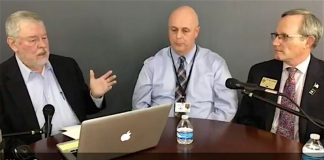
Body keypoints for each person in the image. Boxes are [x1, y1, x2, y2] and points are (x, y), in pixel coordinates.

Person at [0, 10, 117, 150]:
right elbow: (7, 138)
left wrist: (95, 95)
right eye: (33, 40)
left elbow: (86, 109)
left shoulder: (66, 65)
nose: (42, 45)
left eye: (44, 38)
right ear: (13, 44)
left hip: (81, 145)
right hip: (37, 152)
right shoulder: (3, 79)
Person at [132, 6, 238, 121]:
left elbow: (227, 108)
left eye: (185, 30)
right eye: (173, 30)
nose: (178, 36)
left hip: (204, 134)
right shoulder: (152, 65)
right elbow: (139, 107)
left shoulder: (215, 64)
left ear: (196, 32)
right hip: (161, 133)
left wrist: (207, 133)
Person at [234, 8, 324, 143]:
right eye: (276, 35)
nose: (275, 42)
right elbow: (245, 119)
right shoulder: (259, 72)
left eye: (284, 37)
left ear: (308, 41)